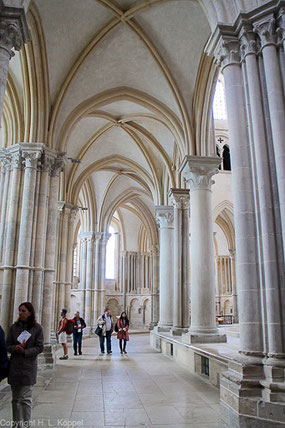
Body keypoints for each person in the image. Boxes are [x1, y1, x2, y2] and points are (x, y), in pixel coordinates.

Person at [6, 302, 43, 428]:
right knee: (15, 399)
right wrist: (15, 348)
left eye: (23, 311)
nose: (20, 313)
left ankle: (26, 425)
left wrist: (26, 351)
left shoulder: (37, 328)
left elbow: (39, 347)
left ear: (30, 312)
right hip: (15, 367)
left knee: (26, 398)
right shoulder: (14, 328)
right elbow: (7, 345)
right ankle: (16, 424)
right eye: (19, 311)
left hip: (28, 367)